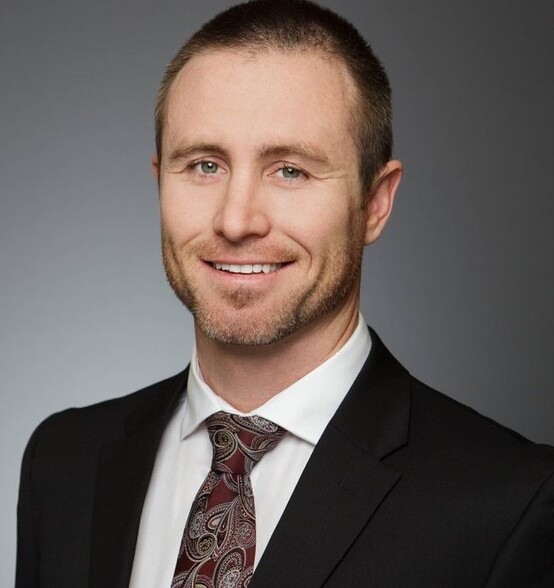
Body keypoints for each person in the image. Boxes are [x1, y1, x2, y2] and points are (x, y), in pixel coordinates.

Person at [16, 1, 554, 587]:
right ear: (159, 182)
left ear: (375, 203)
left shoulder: (510, 505)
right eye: (204, 165)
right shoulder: (63, 463)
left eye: (290, 170)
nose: (236, 220)